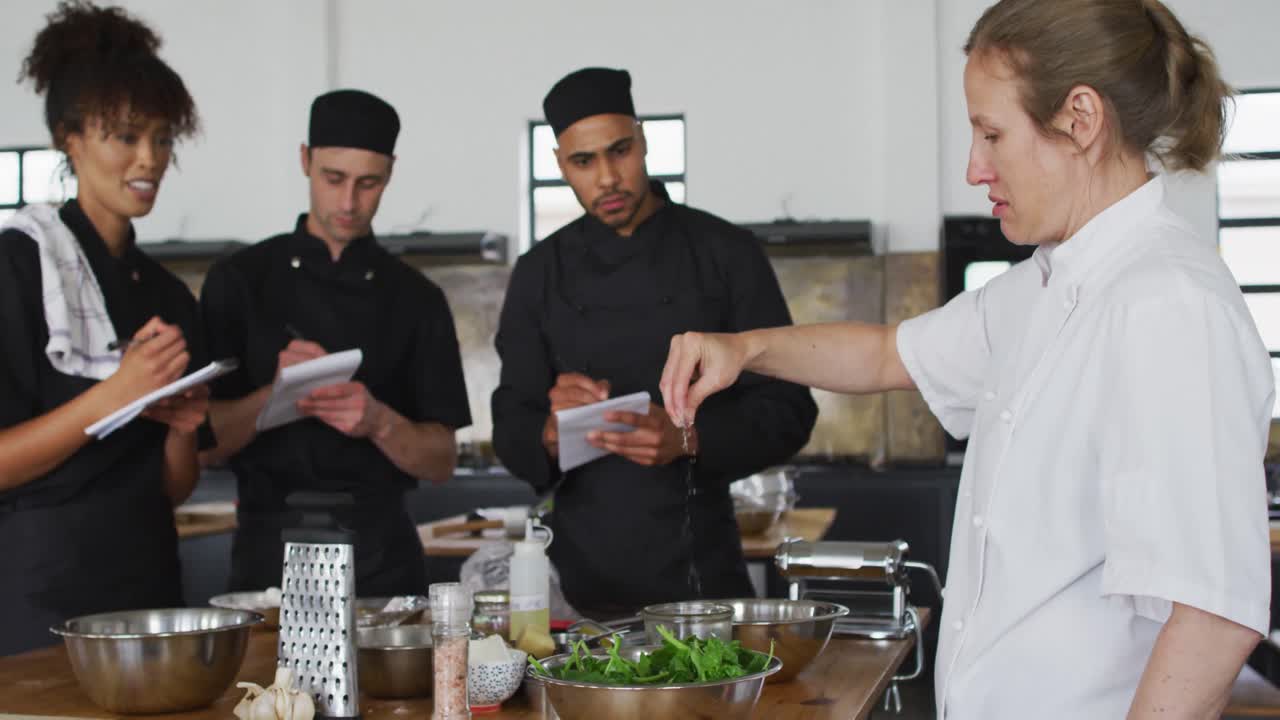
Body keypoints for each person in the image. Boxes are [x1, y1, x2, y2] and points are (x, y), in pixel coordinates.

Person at [660, 1, 1273, 716]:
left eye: (992, 133)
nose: (976, 168)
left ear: (1081, 118)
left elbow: (1212, 616)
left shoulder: (1169, 305)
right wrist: (744, 348)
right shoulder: (1043, 289)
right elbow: (888, 354)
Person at [491, 67, 818, 618]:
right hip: (575, 585)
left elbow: (790, 411)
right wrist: (549, 430)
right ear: (559, 165)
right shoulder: (538, 273)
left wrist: (688, 439)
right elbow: (509, 426)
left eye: (620, 151)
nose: (607, 179)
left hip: (702, 572)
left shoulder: (725, 253)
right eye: (583, 162)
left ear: (643, 142)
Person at [200, 89, 471, 596]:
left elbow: (441, 461)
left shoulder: (417, 297)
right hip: (266, 557)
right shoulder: (238, 280)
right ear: (305, 161)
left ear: (390, 172)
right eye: (333, 179)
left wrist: (378, 421)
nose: (349, 202)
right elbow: (203, 446)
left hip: (380, 558)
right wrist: (276, 395)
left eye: (368, 183)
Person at [0, 1, 208, 656]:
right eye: (125, 136)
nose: (149, 159)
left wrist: (178, 430)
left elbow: (173, 487)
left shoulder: (167, 293)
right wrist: (117, 392)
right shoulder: (19, 263)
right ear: (71, 138)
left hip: (149, 581)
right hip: (41, 590)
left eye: (164, 137)